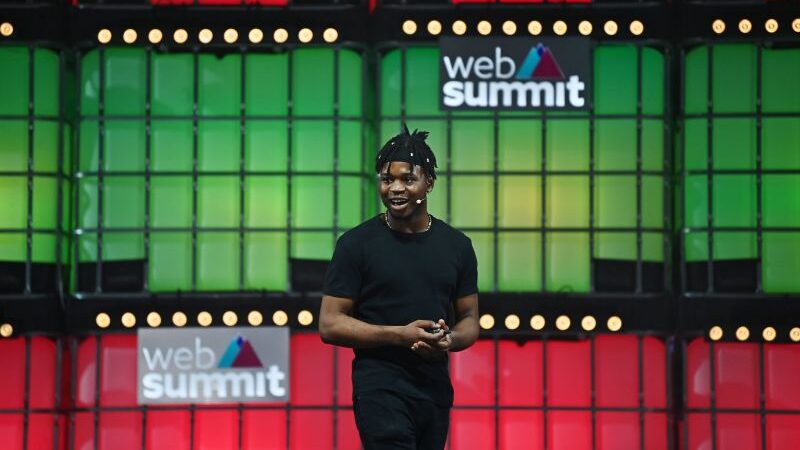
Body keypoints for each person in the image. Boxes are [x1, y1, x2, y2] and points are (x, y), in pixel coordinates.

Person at [319, 125, 480, 450]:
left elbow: (470, 321)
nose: (395, 188)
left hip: (433, 386)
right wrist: (399, 335)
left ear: (429, 182)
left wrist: (449, 340)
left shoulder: (457, 246)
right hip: (379, 383)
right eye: (386, 179)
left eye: (408, 179)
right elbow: (329, 323)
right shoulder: (355, 244)